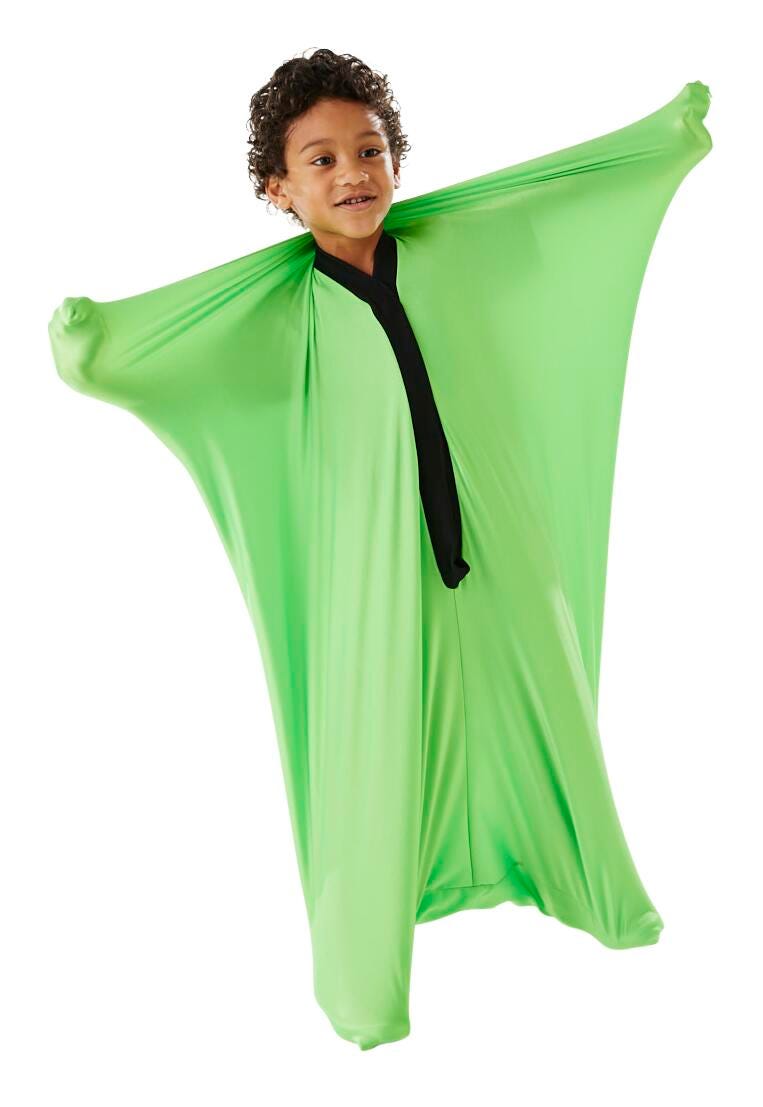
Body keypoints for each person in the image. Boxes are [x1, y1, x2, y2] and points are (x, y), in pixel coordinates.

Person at [49, 48, 713, 1050]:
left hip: (497, 539)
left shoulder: (452, 247)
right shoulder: (280, 313)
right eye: (320, 160)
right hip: (374, 566)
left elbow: (563, 201)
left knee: (543, 695)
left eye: (369, 150)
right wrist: (94, 346)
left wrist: (659, 145)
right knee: (373, 733)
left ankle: (588, 883)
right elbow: (169, 355)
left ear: (395, 159)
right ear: (277, 189)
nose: (353, 172)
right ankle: (365, 973)